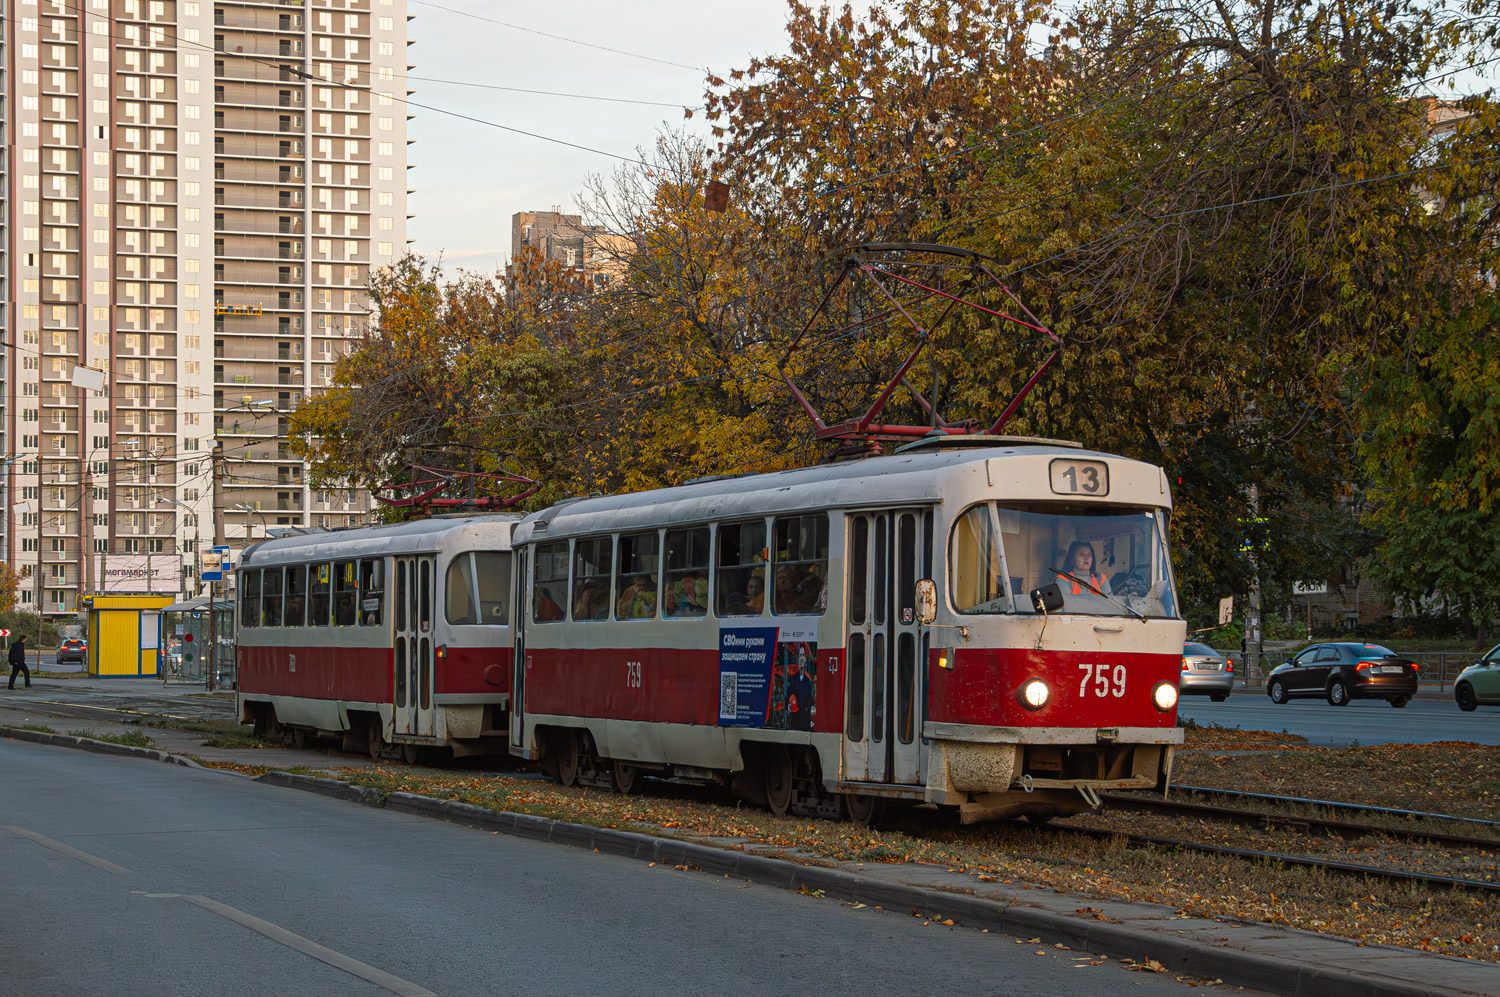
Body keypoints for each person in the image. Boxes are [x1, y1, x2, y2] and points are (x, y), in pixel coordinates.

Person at [787, 643, 814, 731]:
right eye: (800, 655)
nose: (801, 658)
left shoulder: (808, 681)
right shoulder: (794, 679)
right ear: (798, 659)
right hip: (794, 719)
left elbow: (811, 699)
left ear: (805, 659)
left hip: (804, 719)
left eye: (803, 655)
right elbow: (788, 695)